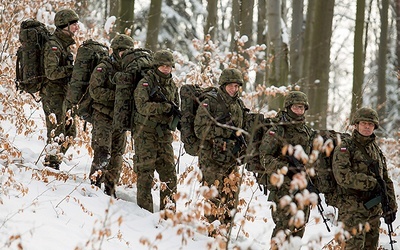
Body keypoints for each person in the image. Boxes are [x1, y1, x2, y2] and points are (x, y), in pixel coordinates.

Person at [332, 107, 397, 249]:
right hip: (352, 212)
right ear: (356, 125)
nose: (367, 127)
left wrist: (391, 205)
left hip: (373, 212)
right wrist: (370, 183)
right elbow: (342, 176)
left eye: (371, 124)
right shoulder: (345, 147)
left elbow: (385, 179)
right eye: (364, 123)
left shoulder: (376, 150)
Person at [259, 91, 316, 247]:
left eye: (302, 108)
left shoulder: (307, 132)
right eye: (297, 107)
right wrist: (286, 168)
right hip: (282, 188)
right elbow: (265, 157)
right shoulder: (277, 130)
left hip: (302, 188)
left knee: (298, 231)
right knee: (283, 230)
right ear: (289, 107)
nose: (300, 111)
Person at [193, 68, 249, 228]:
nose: (234, 89)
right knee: (213, 197)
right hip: (211, 158)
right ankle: (212, 236)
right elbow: (200, 129)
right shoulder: (210, 102)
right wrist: (224, 134)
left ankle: (226, 233)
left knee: (232, 197)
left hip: (231, 158)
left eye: (237, 86)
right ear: (223, 85)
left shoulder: (239, 104)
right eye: (231, 85)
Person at [133, 49, 180, 212]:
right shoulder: (145, 83)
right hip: (145, 134)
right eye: (163, 66)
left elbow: (175, 106)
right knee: (145, 174)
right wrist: (163, 108)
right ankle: (143, 213)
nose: (166, 69)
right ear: (156, 66)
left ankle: (168, 214)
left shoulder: (172, 86)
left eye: (169, 66)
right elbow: (141, 106)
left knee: (170, 175)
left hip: (164, 135)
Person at [88, 34, 135, 197]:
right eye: (121, 50)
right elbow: (94, 91)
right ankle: (94, 186)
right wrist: (117, 95)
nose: (124, 53)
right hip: (103, 115)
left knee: (117, 154)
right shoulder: (104, 67)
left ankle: (110, 188)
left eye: (127, 50)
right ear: (115, 51)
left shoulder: (130, 68)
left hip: (120, 118)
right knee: (102, 151)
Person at [41, 9, 79, 170]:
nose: (77, 27)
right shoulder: (53, 45)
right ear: (65, 25)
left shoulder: (65, 45)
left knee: (70, 133)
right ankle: (51, 166)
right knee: (56, 132)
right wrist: (72, 70)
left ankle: (54, 160)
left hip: (64, 94)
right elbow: (51, 73)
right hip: (52, 94)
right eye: (74, 24)